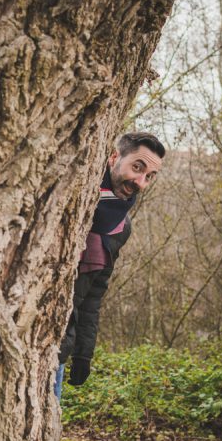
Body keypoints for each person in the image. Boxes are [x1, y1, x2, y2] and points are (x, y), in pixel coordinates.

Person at [54, 132, 165, 399]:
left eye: (149, 176)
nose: (140, 182)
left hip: (58, 349)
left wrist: (83, 353)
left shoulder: (119, 227)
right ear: (114, 157)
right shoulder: (69, 194)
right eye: (137, 167)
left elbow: (92, 294)